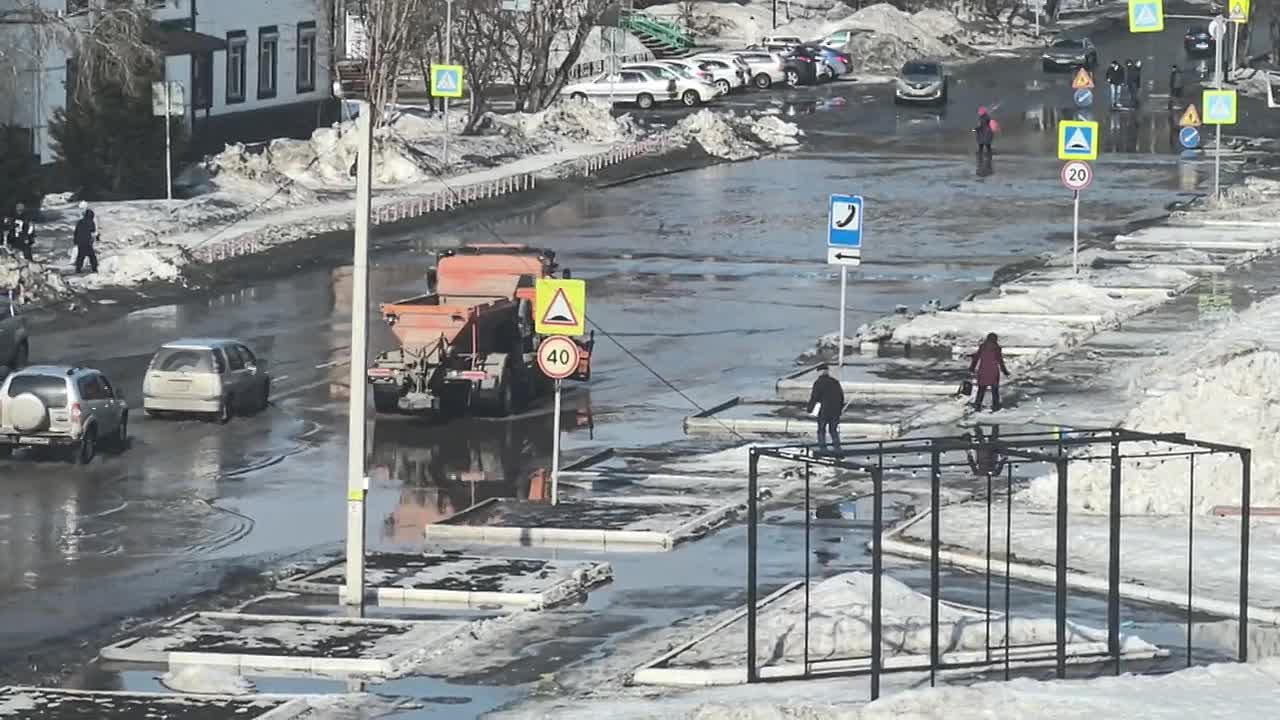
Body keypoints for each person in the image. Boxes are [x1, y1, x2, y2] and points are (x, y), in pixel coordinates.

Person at [806, 364, 845, 454]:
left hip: (824, 410)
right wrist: (840, 409)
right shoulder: (835, 382)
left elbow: (814, 397)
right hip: (835, 411)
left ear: (820, 372)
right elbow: (841, 397)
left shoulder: (818, 383)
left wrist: (809, 409)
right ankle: (837, 449)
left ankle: (823, 449)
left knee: (821, 430)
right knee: (833, 430)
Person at [967, 332, 1010, 412]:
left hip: (983, 370)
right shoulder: (997, 348)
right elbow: (1000, 361)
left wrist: (971, 368)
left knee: (981, 390)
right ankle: (995, 406)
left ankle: (977, 405)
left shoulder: (982, 347)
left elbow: (976, 358)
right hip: (993, 371)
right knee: (995, 391)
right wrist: (1005, 371)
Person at [73, 207, 98, 273]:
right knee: (92, 256)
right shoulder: (91, 222)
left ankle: (78, 269)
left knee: (80, 256)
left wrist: (75, 241)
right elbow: (93, 232)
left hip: (80, 242)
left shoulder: (80, 222)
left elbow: (76, 232)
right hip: (87, 242)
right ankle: (94, 269)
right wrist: (95, 239)